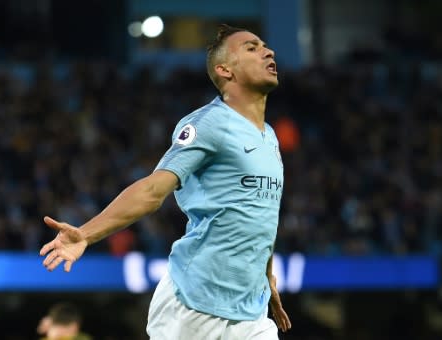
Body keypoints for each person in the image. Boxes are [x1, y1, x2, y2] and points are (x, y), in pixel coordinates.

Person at [40, 24, 292, 339]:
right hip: (194, 303)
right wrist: (86, 235)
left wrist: (266, 277)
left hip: (251, 312)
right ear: (224, 69)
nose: (268, 52)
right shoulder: (208, 123)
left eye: (265, 46)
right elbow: (152, 190)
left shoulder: (270, 136)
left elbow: (259, 214)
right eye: (252, 48)